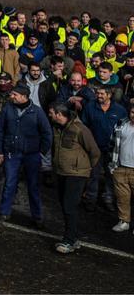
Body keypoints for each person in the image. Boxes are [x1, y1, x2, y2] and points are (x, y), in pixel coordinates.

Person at [0, 83, 53, 228]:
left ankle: (37, 216)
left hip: (31, 154)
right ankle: (4, 212)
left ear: (24, 96)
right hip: (12, 152)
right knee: (9, 183)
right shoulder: (7, 109)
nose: (11, 96)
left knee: (33, 186)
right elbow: (0, 130)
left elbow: (47, 133)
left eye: (15, 94)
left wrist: (41, 151)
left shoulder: (37, 112)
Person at [50, 103, 101, 254]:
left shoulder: (80, 129)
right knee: (65, 205)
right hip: (62, 172)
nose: (49, 115)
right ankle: (73, 236)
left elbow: (95, 152)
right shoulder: (57, 127)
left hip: (77, 174)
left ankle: (69, 240)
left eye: (51, 112)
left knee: (69, 206)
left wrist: (86, 169)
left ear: (59, 114)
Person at [83, 86, 126, 211]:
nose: (99, 96)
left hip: (113, 150)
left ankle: (108, 199)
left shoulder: (120, 110)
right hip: (95, 148)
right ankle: (90, 200)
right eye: (97, 93)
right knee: (93, 174)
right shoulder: (90, 107)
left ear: (109, 95)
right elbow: (84, 126)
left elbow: (124, 128)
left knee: (110, 175)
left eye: (102, 94)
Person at [109, 108, 134, 233]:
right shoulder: (120, 124)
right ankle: (124, 221)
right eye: (133, 112)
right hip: (120, 167)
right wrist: (113, 165)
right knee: (122, 198)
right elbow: (112, 144)